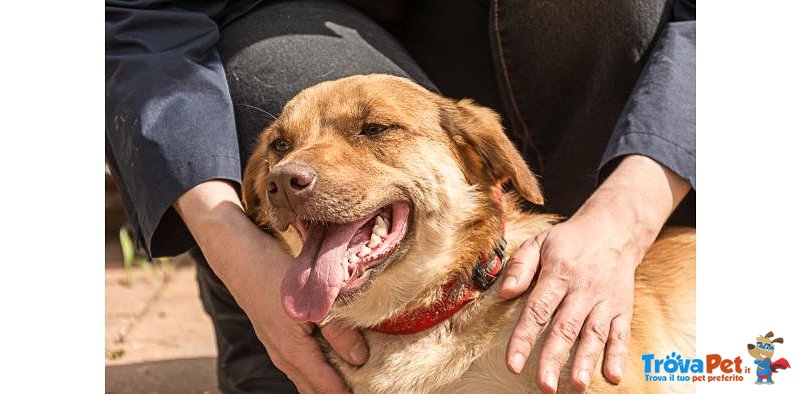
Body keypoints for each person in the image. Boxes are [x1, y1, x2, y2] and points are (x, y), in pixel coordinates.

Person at [105, 1, 695, 393]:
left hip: (559, 65)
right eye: (280, 154)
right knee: (276, 73)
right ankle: (268, 335)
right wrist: (229, 239)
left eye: (373, 131)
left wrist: (622, 222)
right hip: (294, 18)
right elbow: (145, 23)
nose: (291, 170)